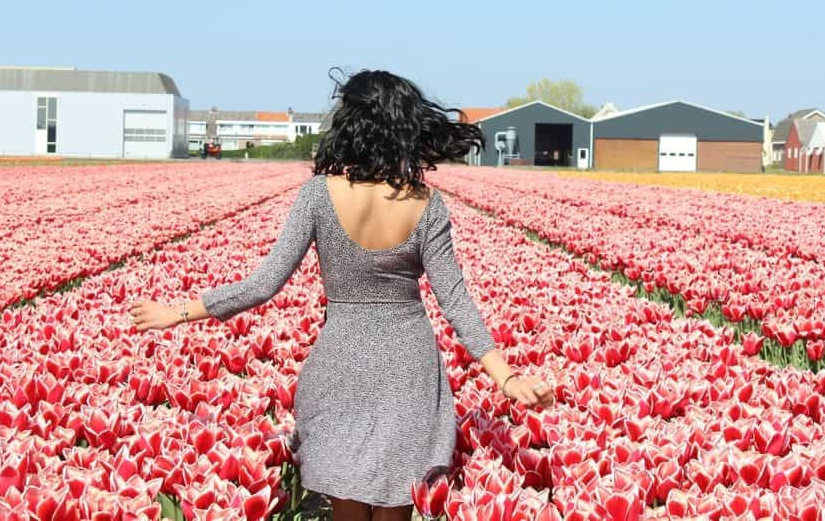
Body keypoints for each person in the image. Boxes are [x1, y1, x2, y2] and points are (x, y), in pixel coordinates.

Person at [130, 68, 554, 521]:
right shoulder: (426, 203)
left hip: (340, 368)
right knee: (395, 504)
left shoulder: (317, 195)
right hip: (407, 372)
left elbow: (263, 284)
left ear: (352, 124)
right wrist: (507, 378)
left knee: (346, 506)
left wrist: (177, 313)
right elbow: (455, 300)